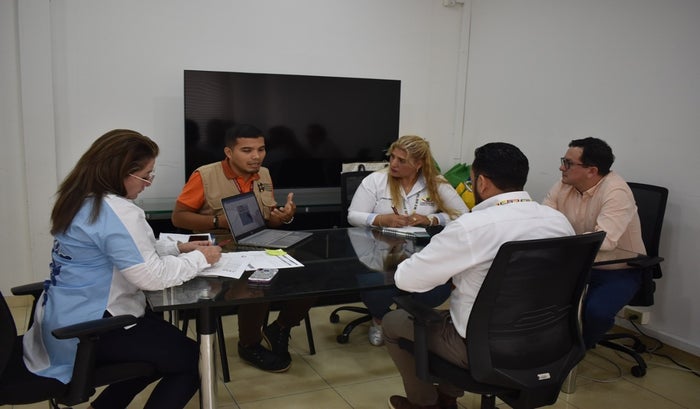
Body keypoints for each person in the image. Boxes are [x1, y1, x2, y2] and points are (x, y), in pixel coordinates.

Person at [22, 129, 222, 409]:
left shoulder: (79, 198)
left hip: (61, 318)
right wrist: (202, 258)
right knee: (193, 359)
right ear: (121, 172)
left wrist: (178, 248)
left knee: (163, 352)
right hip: (91, 327)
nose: (149, 183)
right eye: (146, 176)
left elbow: (119, 250)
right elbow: (153, 276)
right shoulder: (118, 211)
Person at [382, 142, 575, 409]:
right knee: (459, 313)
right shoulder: (557, 221)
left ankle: (424, 403)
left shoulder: (471, 227)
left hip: (481, 348)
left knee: (393, 321)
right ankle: (448, 396)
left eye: (471, 181)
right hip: (548, 342)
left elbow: (407, 280)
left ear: (482, 183)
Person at [171, 123, 313, 372]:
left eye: (261, 149)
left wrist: (283, 217)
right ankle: (249, 344)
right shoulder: (205, 175)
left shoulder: (264, 174)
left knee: (312, 274)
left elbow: (269, 218)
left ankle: (280, 327)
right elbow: (178, 217)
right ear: (229, 152)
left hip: (259, 243)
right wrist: (217, 221)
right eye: (247, 150)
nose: (256, 156)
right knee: (258, 282)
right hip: (220, 249)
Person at [347, 135, 469, 346]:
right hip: (379, 250)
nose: (393, 164)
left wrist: (431, 219)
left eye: (401, 160)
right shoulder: (376, 181)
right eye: (392, 157)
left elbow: (463, 214)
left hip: (421, 252)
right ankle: (379, 320)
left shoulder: (435, 183)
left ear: (418, 164)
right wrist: (380, 219)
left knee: (433, 289)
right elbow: (353, 216)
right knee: (376, 286)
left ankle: (408, 322)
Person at [543, 137, 646, 349]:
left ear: (591, 171)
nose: (561, 167)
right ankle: (550, 346)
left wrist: (559, 242)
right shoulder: (564, 184)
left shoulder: (616, 192)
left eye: (568, 163)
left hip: (618, 269)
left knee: (596, 313)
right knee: (535, 296)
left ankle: (576, 351)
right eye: (563, 161)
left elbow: (605, 241)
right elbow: (542, 221)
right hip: (576, 263)